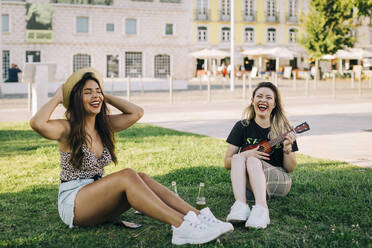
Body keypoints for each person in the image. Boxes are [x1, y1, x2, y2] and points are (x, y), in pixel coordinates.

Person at [30, 67, 232, 245]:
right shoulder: (67, 128)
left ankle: (199, 217)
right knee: (127, 175)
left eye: (97, 91)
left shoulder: (104, 126)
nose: (95, 96)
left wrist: (103, 95)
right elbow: (37, 123)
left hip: (98, 199)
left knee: (141, 177)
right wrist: (58, 97)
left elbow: (136, 113)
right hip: (74, 203)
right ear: (76, 98)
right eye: (87, 92)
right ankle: (181, 227)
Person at [224, 81, 298, 229]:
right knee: (239, 157)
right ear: (252, 101)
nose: (263, 100)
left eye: (269, 97)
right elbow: (227, 162)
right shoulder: (242, 126)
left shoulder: (283, 128)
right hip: (251, 186)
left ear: (274, 104)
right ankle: (241, 206)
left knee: (251, 161)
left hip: (279, 182)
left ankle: (262, 209)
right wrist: (247, 153)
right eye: (259, 96)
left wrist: (287, 149)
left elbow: (290, 168)